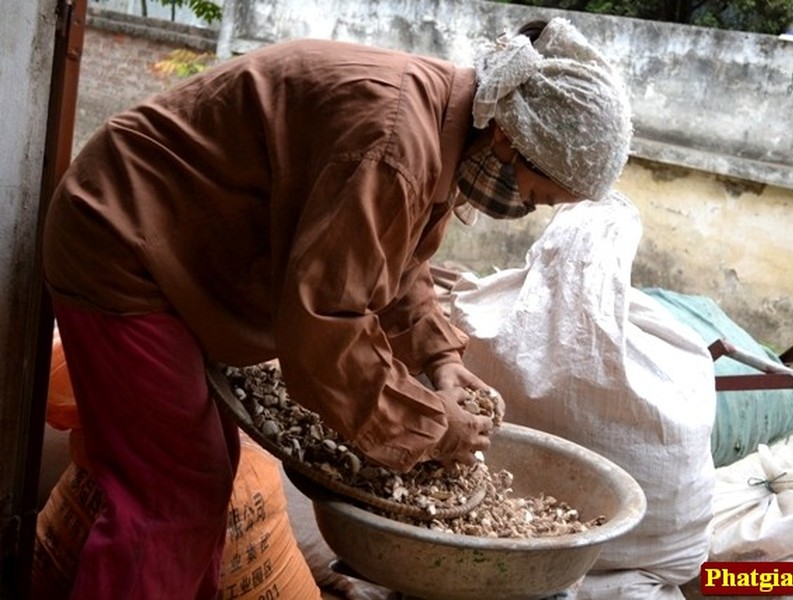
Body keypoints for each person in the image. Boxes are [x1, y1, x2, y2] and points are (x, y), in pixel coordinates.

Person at [41, 16, 632, 599]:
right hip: (124, 244)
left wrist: (439, 361)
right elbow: (325, 327)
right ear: (508, 140)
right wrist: (431, 425)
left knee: (203, 478)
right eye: (537, 193)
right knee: (171, 495)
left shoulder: (443, 124)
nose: (526, 208)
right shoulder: (397, 147)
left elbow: (393, 262)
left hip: (171, 250)